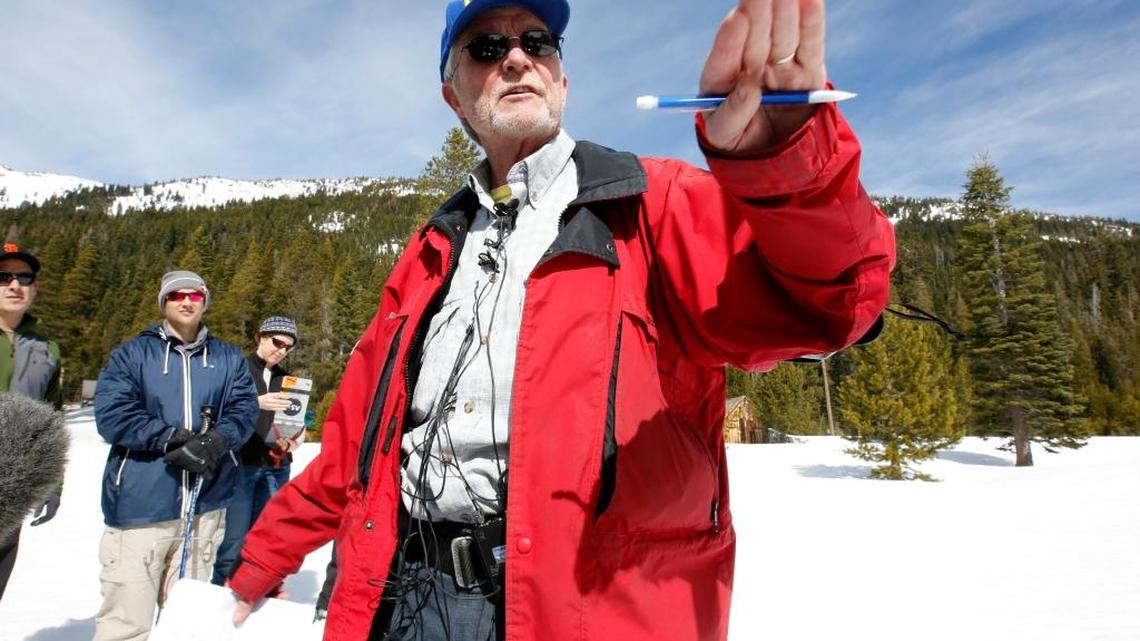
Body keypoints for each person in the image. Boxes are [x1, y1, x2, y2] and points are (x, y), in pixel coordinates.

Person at [231, 1, 895, 639]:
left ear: (561, 74)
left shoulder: (652, 205)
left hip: (583, 609)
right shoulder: (428, 253)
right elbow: (354, 444)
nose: (517, 58)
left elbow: (830, 304)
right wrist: (263, 558)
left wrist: (783, 166)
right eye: (487, 48)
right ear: (454, 94)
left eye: (537, 42)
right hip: (408, 596)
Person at [93, 270, 258, 641]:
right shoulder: (133, 354)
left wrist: (216, 441)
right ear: (164, 302)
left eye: (195, 295)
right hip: (141, 507)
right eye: (176, 295)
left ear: (204, 301)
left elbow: (244, 409)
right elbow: (112, 414)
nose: (186, 301)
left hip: (205, 507)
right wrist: (169, 438)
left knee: (186, 625)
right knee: (126, 623)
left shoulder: (228, 358)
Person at [211, 315, 302, 585]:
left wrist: (295, 438)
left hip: (276, 466)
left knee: (265, 536)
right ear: (261, 336)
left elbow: (296, 420)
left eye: (288, 347)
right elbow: (217, 410)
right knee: (234, 537)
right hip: (242, 464)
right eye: (277, 342)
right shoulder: (237, 370)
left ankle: (252, 592)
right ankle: (219, 592)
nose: (281, 350)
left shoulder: (287, 380)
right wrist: (256, 402)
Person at [0, 244, 62, 602]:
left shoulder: (46, 347)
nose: (14, 285)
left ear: (35, 287)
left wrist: (53, 483)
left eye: (24, 277)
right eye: (4, 277)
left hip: (12, 489)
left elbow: (51, 416)